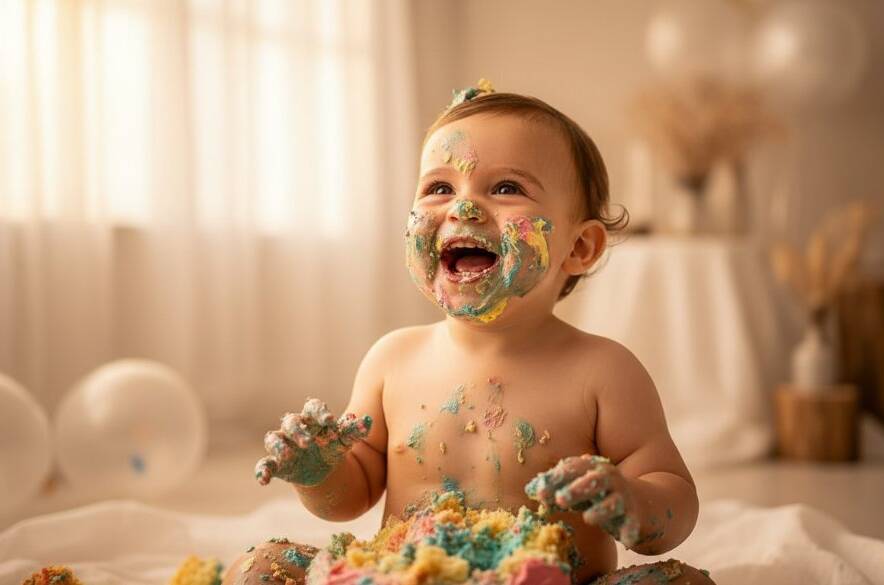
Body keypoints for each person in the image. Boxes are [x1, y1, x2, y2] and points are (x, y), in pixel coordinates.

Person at [226, 80, 715, 585]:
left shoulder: (604, 370)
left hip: (555, 578)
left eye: (506, 188)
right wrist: (319, 472)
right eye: (439, 188)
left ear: (581, 247)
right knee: (257, 567)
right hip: (402, 576)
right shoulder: (392, 359)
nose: (463, 208)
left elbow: (672, 492)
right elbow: (351, 496)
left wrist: (633, 501)